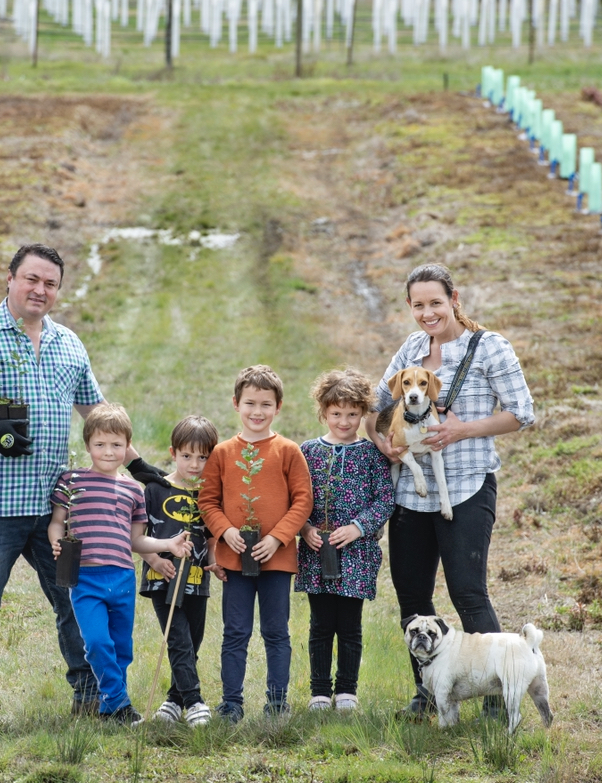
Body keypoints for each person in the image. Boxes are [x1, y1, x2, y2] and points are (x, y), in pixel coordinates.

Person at [0, 244, 166, 737]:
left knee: (73, 599)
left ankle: (89, 693)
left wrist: (139, 466)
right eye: (31, 279)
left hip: (59, 509)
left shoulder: (67, 343)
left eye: (50, 283)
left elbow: (97, 413)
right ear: (10, 278)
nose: (40, 290)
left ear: (58, 289)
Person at [365, 263, 535, 720]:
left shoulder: (489, 347)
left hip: (466, 487)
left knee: (468, 593)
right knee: (413, 598)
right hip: (410, 497)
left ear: (454, 298)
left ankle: (500, 700)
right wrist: (384, 443)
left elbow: (522, 413)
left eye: (435, 303)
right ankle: (428, 693)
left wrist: (462, 431)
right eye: (418, 305)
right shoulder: (412, 349)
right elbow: (376, 405)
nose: (427, 313)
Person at [48, 403, 191, 725]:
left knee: (121, 648)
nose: (108, 451)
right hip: (85, 578)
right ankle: (120, 703)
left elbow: (136, 540)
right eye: (100, 444)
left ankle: (111, 709)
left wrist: (167, 545)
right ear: (87, 445)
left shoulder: (132, 490)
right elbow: (58, 522)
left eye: (116, 445)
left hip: (122, 577)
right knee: (97, 643)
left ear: (128, 447)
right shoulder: (72, 481)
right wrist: (56, 541)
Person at [198, 365, 313, 724]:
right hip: (235, 559)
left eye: (266, 404)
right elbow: (208, 501)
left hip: (276, 559)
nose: (257, 412)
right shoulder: (223, 452)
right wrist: (225, 532)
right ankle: (231, 704)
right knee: (235, 631)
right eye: (250, 403)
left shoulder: (288, 451)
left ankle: (277, 704)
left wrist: (278, 537)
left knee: (276, 631)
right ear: (236, 404)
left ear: (278, 407)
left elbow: (302, 500)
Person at [296, 369, 397, 713]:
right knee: (321, 624)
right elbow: (295, 497)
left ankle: (347, 691)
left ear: (364, 414)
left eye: (352, 414)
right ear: (323, 413)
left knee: (350, 625)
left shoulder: (371, 455)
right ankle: (320, 692)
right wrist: (305, 528)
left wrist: (358, 527)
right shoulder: (307, 452)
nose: (344, 421)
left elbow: (385, 499)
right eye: (336, 414)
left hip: (357, 554)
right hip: (315, 552)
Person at [139, 415, 220, 728]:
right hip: (164, 578)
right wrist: (154, 560)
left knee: (192, 641)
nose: (195, 464)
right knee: (178, 639)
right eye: (187, 456)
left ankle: (173, 700)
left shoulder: (210, 494)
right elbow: (139, 535)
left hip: (198, 579)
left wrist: (214, 559)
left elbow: (211, 536)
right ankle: (195, 701)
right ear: (173, 453)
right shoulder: (156, 490)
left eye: (203, 457)